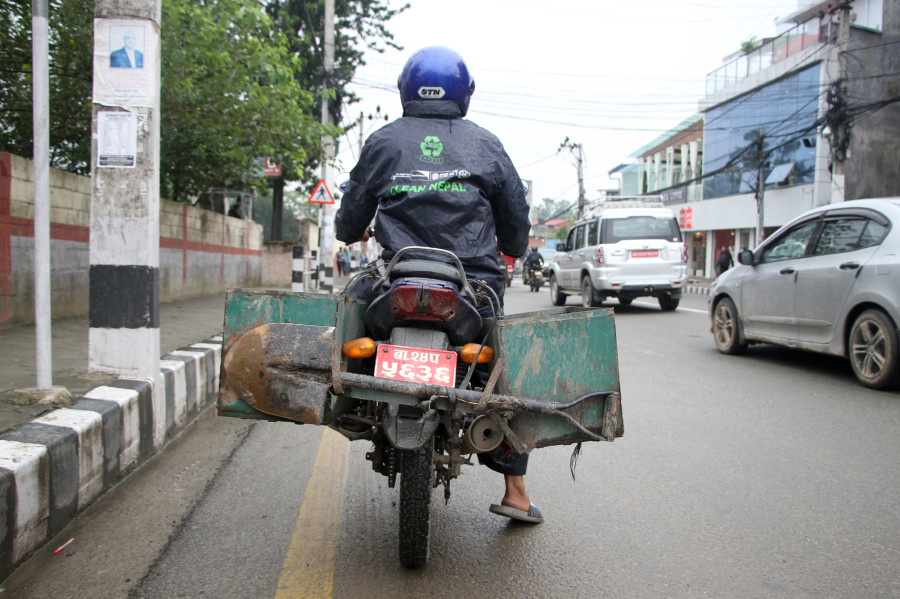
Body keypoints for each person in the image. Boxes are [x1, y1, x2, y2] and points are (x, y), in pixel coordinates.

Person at [335, 46, 539, 523]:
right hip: (473, 287)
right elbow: (515, 223)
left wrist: (354, 231)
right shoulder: (487, 145)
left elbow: (349, 220)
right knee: (498, 373)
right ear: (464, 93)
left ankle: (345, 405)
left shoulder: (383, 142)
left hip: (395, 279)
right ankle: (516, 490)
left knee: (348, 316)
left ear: (406, 90)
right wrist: (513, 245)